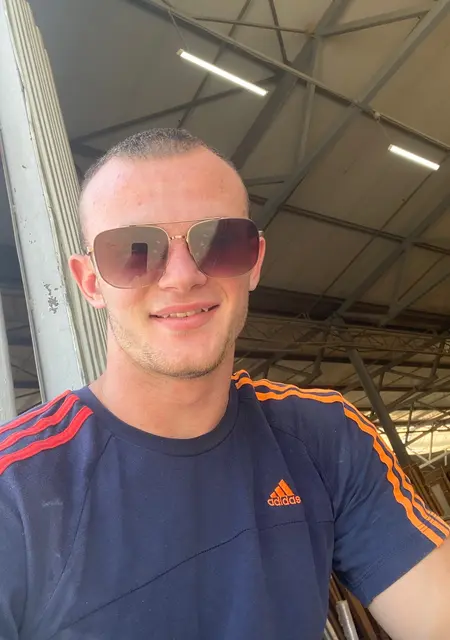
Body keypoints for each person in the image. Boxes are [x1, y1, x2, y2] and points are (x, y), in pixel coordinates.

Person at [0, 129, 449, 640]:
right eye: (134, 249)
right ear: (90, 282)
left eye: (219, 242)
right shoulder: (16, 492)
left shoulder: (323, 439)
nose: (182, 276)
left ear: (254, 261)